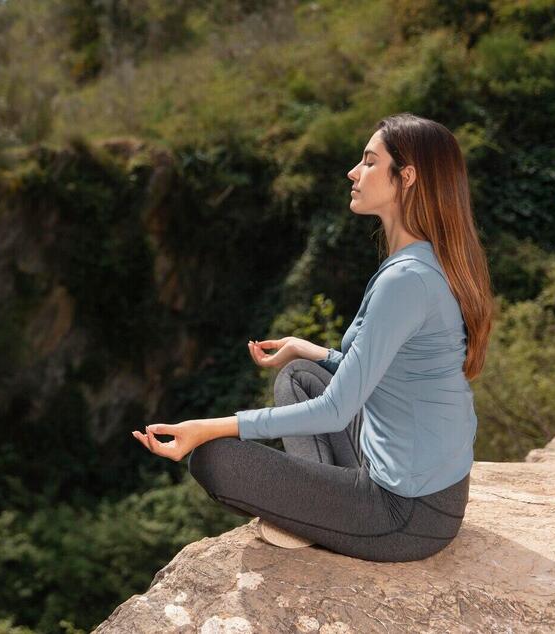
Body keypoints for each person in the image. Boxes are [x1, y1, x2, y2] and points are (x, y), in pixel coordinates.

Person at [132, 112, 494, 562]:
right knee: (301, 373)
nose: (353, 172)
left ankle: (315, 513)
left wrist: (208, 428)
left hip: (406, 514)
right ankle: (319, 508)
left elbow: (336, 409)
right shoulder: (423, 261)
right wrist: (311, 349)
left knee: (212, 460)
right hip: (422, 481)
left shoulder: (407, 281)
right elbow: (384, 377)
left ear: (407, 177)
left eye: (368, 161)